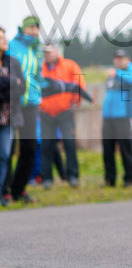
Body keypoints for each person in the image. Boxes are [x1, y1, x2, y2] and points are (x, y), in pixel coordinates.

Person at [7, 16, 44, 204]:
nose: (34, 31)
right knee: (8, 149)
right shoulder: (11, 45)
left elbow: (38, 76)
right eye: (31, 27)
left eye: (37, 27)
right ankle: (4, 190)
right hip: (12, 103)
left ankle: (18, 189)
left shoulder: (37, 50)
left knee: (29, 148)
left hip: (31, 104)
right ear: (23, 28)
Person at [39, 43, 86, 188]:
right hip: (46, 113)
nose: (46, 55)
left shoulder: (70, 65)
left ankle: (72, 176)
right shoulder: (40, 69)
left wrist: (75, 103)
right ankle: (47, 178)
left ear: (57, 52)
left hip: (65, 112)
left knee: (69, 144)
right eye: (45, 52)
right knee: (46, 146)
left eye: (49, 52)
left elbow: (79, 85)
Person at [101, 49, 132, 187]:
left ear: (127, 59)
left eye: (121, 58)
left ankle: (129, 178)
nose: (118, 61)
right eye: (116, 58)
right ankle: (110, 179)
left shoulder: (130, 71)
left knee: (125, 149)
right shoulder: (112, 75)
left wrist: (117, 73)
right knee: (108, 149)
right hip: (108, 117)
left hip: (123, 116)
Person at [0, 26, 27, 206]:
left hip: (8, 118)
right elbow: (13, 85)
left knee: (4, 155)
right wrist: (10, 82)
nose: (5, 40)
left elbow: (22, 87)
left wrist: (5, 84)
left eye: (5, 37)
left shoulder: (13, 62)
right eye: (1, 38)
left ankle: (2, 193)